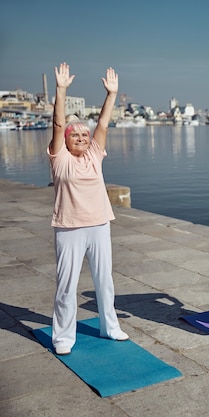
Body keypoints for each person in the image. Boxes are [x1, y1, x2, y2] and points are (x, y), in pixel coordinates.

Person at [48, 62, 128, 355]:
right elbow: (58, 124)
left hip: (99, 224)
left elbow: (103, 124)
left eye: (84, 135)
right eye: (75, 135)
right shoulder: (59, 159)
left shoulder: (94, 154)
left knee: (104, 281)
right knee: (66, 286)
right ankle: (63, 337)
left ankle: (110, 327)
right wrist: (61, 90)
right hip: (69, 227)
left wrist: (111, 95)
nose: (82, 138)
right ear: (65, 141)